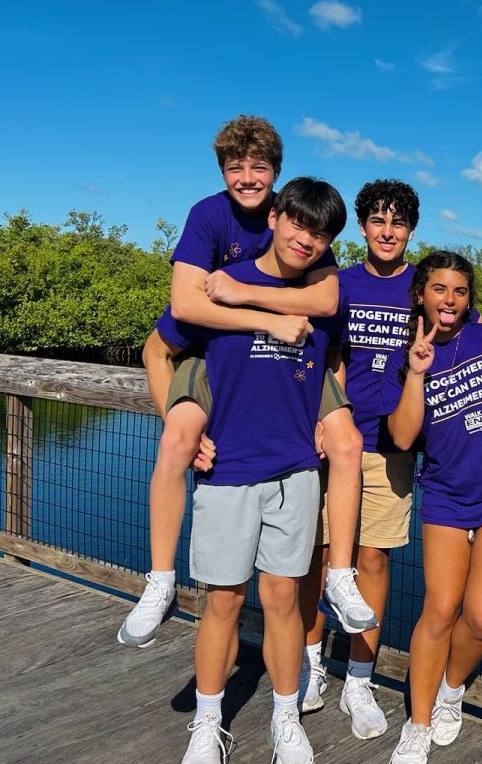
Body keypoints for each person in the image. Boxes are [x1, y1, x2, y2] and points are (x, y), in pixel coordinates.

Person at [118, 115, 374, 650]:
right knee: (177, 440)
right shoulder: (209, 215)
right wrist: (265, 318)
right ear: (222, 171)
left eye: (259, 167)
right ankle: (160, 580)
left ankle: (341, 575)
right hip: (215, 353)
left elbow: (325, 302)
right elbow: (187, 305)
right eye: (236, 168)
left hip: (296, 358)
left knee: (348, 443)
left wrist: (242, 294)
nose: (248, 178)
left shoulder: (300, 218)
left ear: (277, 175)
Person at [179, 177, 349, 764]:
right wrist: (181, 423)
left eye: (321, 233)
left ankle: (285, 716)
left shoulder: (322, 296)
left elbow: (337, 360)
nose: (307, 239)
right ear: (274, 217)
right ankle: (207, 723)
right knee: (221, 600)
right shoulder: (216, 286)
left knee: (283, 600)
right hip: (227, 467)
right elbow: (162, 349)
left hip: (297, 470)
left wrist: (334, 414)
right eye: (299, 223)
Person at [296, 179, 422, 740]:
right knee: (317, 559)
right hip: (333, 442)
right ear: (364, 227)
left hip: (392, 447)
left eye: (397, 222)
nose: (387, 231)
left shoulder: (426, 287)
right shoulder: (335, 282)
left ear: (410, 230)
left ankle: (359, 679)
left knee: (371, 562)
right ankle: (311, 665)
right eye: (376, 220)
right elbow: (323, 356)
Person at [384, 251, 482, 764]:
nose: (450, 300)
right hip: (444, 496)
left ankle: (452, 688)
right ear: (421, 293)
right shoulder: (412, 351)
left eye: (460, 291)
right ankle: (417, 725)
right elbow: (400, 436)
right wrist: (417, 372)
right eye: (440, 289)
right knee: (440, 610)